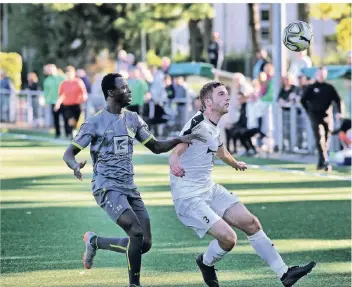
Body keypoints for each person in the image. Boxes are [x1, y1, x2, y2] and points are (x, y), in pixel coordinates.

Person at [168, 81, 316, 287]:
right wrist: (174, 164)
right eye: (221, 94)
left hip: (208, 188)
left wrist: (234, 163)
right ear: (208, 102)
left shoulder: (213, 125)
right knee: (229, 239)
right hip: (189, 197)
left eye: (227, 93)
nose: (228, 97)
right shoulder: (197, 124)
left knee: (252, 223)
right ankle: (205, 262)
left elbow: (220, 151)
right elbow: (176, 151)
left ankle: (285, 273)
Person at [62, 73, 202, 287]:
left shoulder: (133, 119)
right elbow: (68, 153)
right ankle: (134, 285)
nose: (129, 92)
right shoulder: (94, 123)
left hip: (129, 187)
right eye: (124, 88)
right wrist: (74, 166)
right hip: (106, 187)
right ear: (111, 92)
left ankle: (95, 241)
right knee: (135, 233)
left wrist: (178, 140)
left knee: (144, 243)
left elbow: (155, 146)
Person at [301, 67, 343, 171]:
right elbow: (303, 100)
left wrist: (339, 112)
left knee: (327, 138)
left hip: (327, 116)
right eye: (319, 74)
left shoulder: (329, 87)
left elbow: (337, 100)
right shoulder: (311, 87)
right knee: (319, 137)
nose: (321, 76)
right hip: (315, 115)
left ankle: (321, 162)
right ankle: (325, 160)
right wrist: (308, 111)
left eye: (322, 74)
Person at [55, 66, 87, 139]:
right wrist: (58, 104)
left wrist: (84, 98)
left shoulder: (78, 81)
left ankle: (73, 130)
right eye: (68, 73)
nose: (69, 75)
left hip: (76, 105)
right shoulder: (63, 83)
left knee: (75, 120)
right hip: (67, 105)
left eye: (71, 73)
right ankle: (71, 132)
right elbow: (61, 95)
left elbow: (83, 92)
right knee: (70, 119)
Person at [43, 64, 66, 137]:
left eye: (51, 69)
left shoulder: (62, 77)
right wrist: (46, 101)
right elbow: (46, 92)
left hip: (63, 101)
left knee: (66, 117)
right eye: (48, 70)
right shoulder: (47, 80)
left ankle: (68, 133)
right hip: (53, 102)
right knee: (56, 119)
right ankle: (57, 133)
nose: (50, 71)